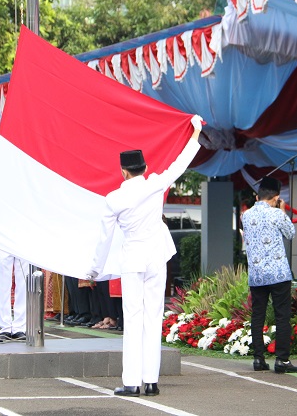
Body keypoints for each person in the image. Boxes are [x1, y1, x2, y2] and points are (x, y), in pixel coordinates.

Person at [88, 115, 203, 397]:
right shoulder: (155, 183)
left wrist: (93, 270)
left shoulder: (114, 198)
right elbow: (180, 163)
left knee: (134, 317)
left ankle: (131, 382)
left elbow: (103, 240)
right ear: (144, 168)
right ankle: (151, 381)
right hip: (156, 257)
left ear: (123, 172)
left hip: (132, 259)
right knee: (153, 317)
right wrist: (195, 134)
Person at [241, 176, 297, 374]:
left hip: (257, 274)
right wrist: (282, 210)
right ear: (276, 197)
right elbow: (290, 233)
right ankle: (282, 360)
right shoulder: (277, 214)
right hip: (278, 274)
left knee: (258, 315)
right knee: (282, 316)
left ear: (258, 195)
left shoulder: (246, 215)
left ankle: (258, 359)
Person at [0, 247, 29, 342]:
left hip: (23, 237)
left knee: (24, 283)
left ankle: (20, 327)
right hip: (0, 238)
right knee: (2, 284)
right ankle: (5, 327)